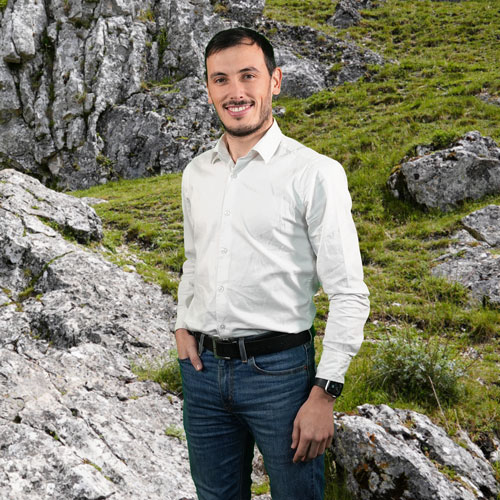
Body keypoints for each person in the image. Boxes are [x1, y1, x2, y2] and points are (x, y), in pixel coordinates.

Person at [174, 27, 369, 500]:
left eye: (248, 76)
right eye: (221, 79)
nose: (235, 92)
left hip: (280, 377)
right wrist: (183, 323)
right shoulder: (197, 173)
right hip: (201, 377)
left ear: (275, 81)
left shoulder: (315, 173)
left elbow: (349, 291)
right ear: (208, 89)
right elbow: (194, 258)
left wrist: (325, 393)